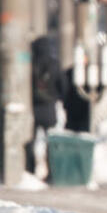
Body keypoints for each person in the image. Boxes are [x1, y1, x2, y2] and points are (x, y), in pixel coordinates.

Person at [26, 36, 66, 178]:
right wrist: (58, 98)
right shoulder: (54, 64)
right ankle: (52, 172)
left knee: (31, 141)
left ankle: (30, 170)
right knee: (50, 141)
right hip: (49, 108)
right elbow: (63, 85)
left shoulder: (30, 63)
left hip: (34, 108)